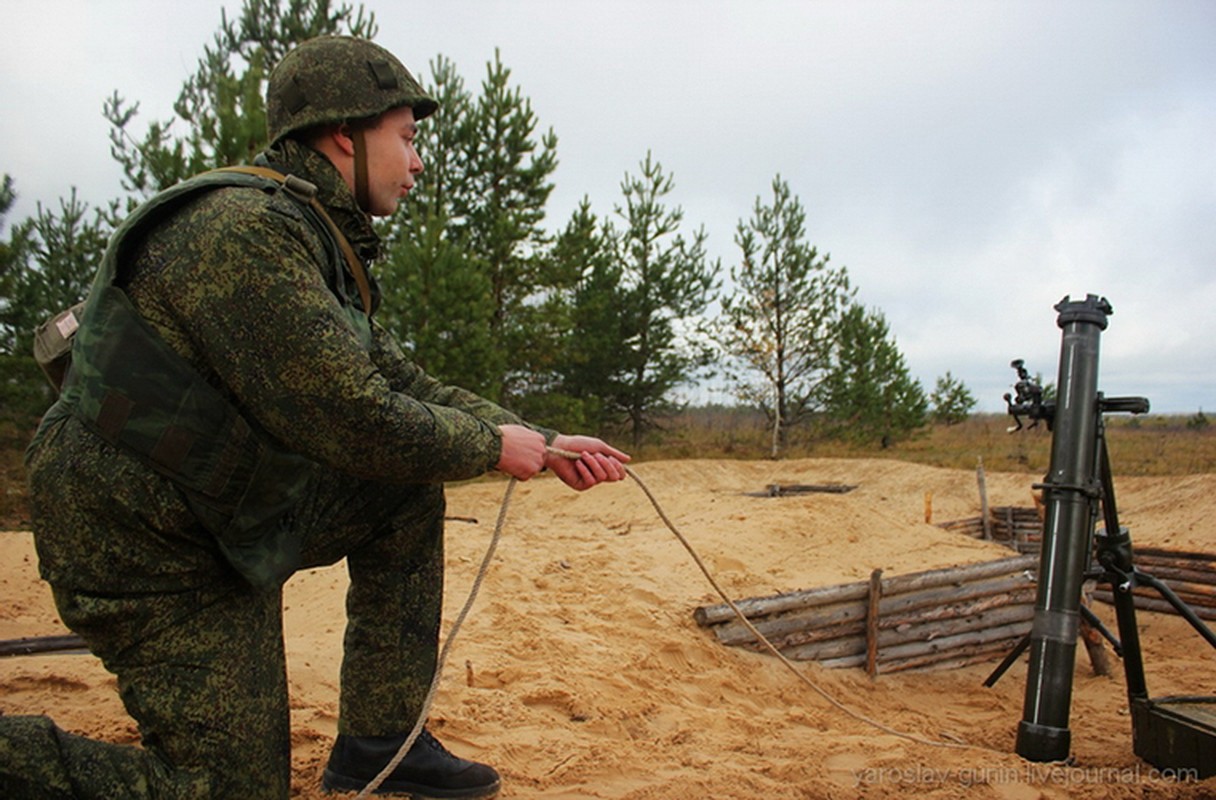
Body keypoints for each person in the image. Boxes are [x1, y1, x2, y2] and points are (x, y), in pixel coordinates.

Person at [1, 35, 628, 799]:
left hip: (218, 508)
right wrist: (493, 448)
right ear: (345, 133)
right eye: (407, 137)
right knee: (228, 789)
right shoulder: (243, 233)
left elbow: (396, 378)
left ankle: (379, 741)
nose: (418, 162)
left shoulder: (314, 235)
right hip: (141, 537)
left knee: (398, 492)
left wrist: (547, 442)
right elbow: (352, 416)